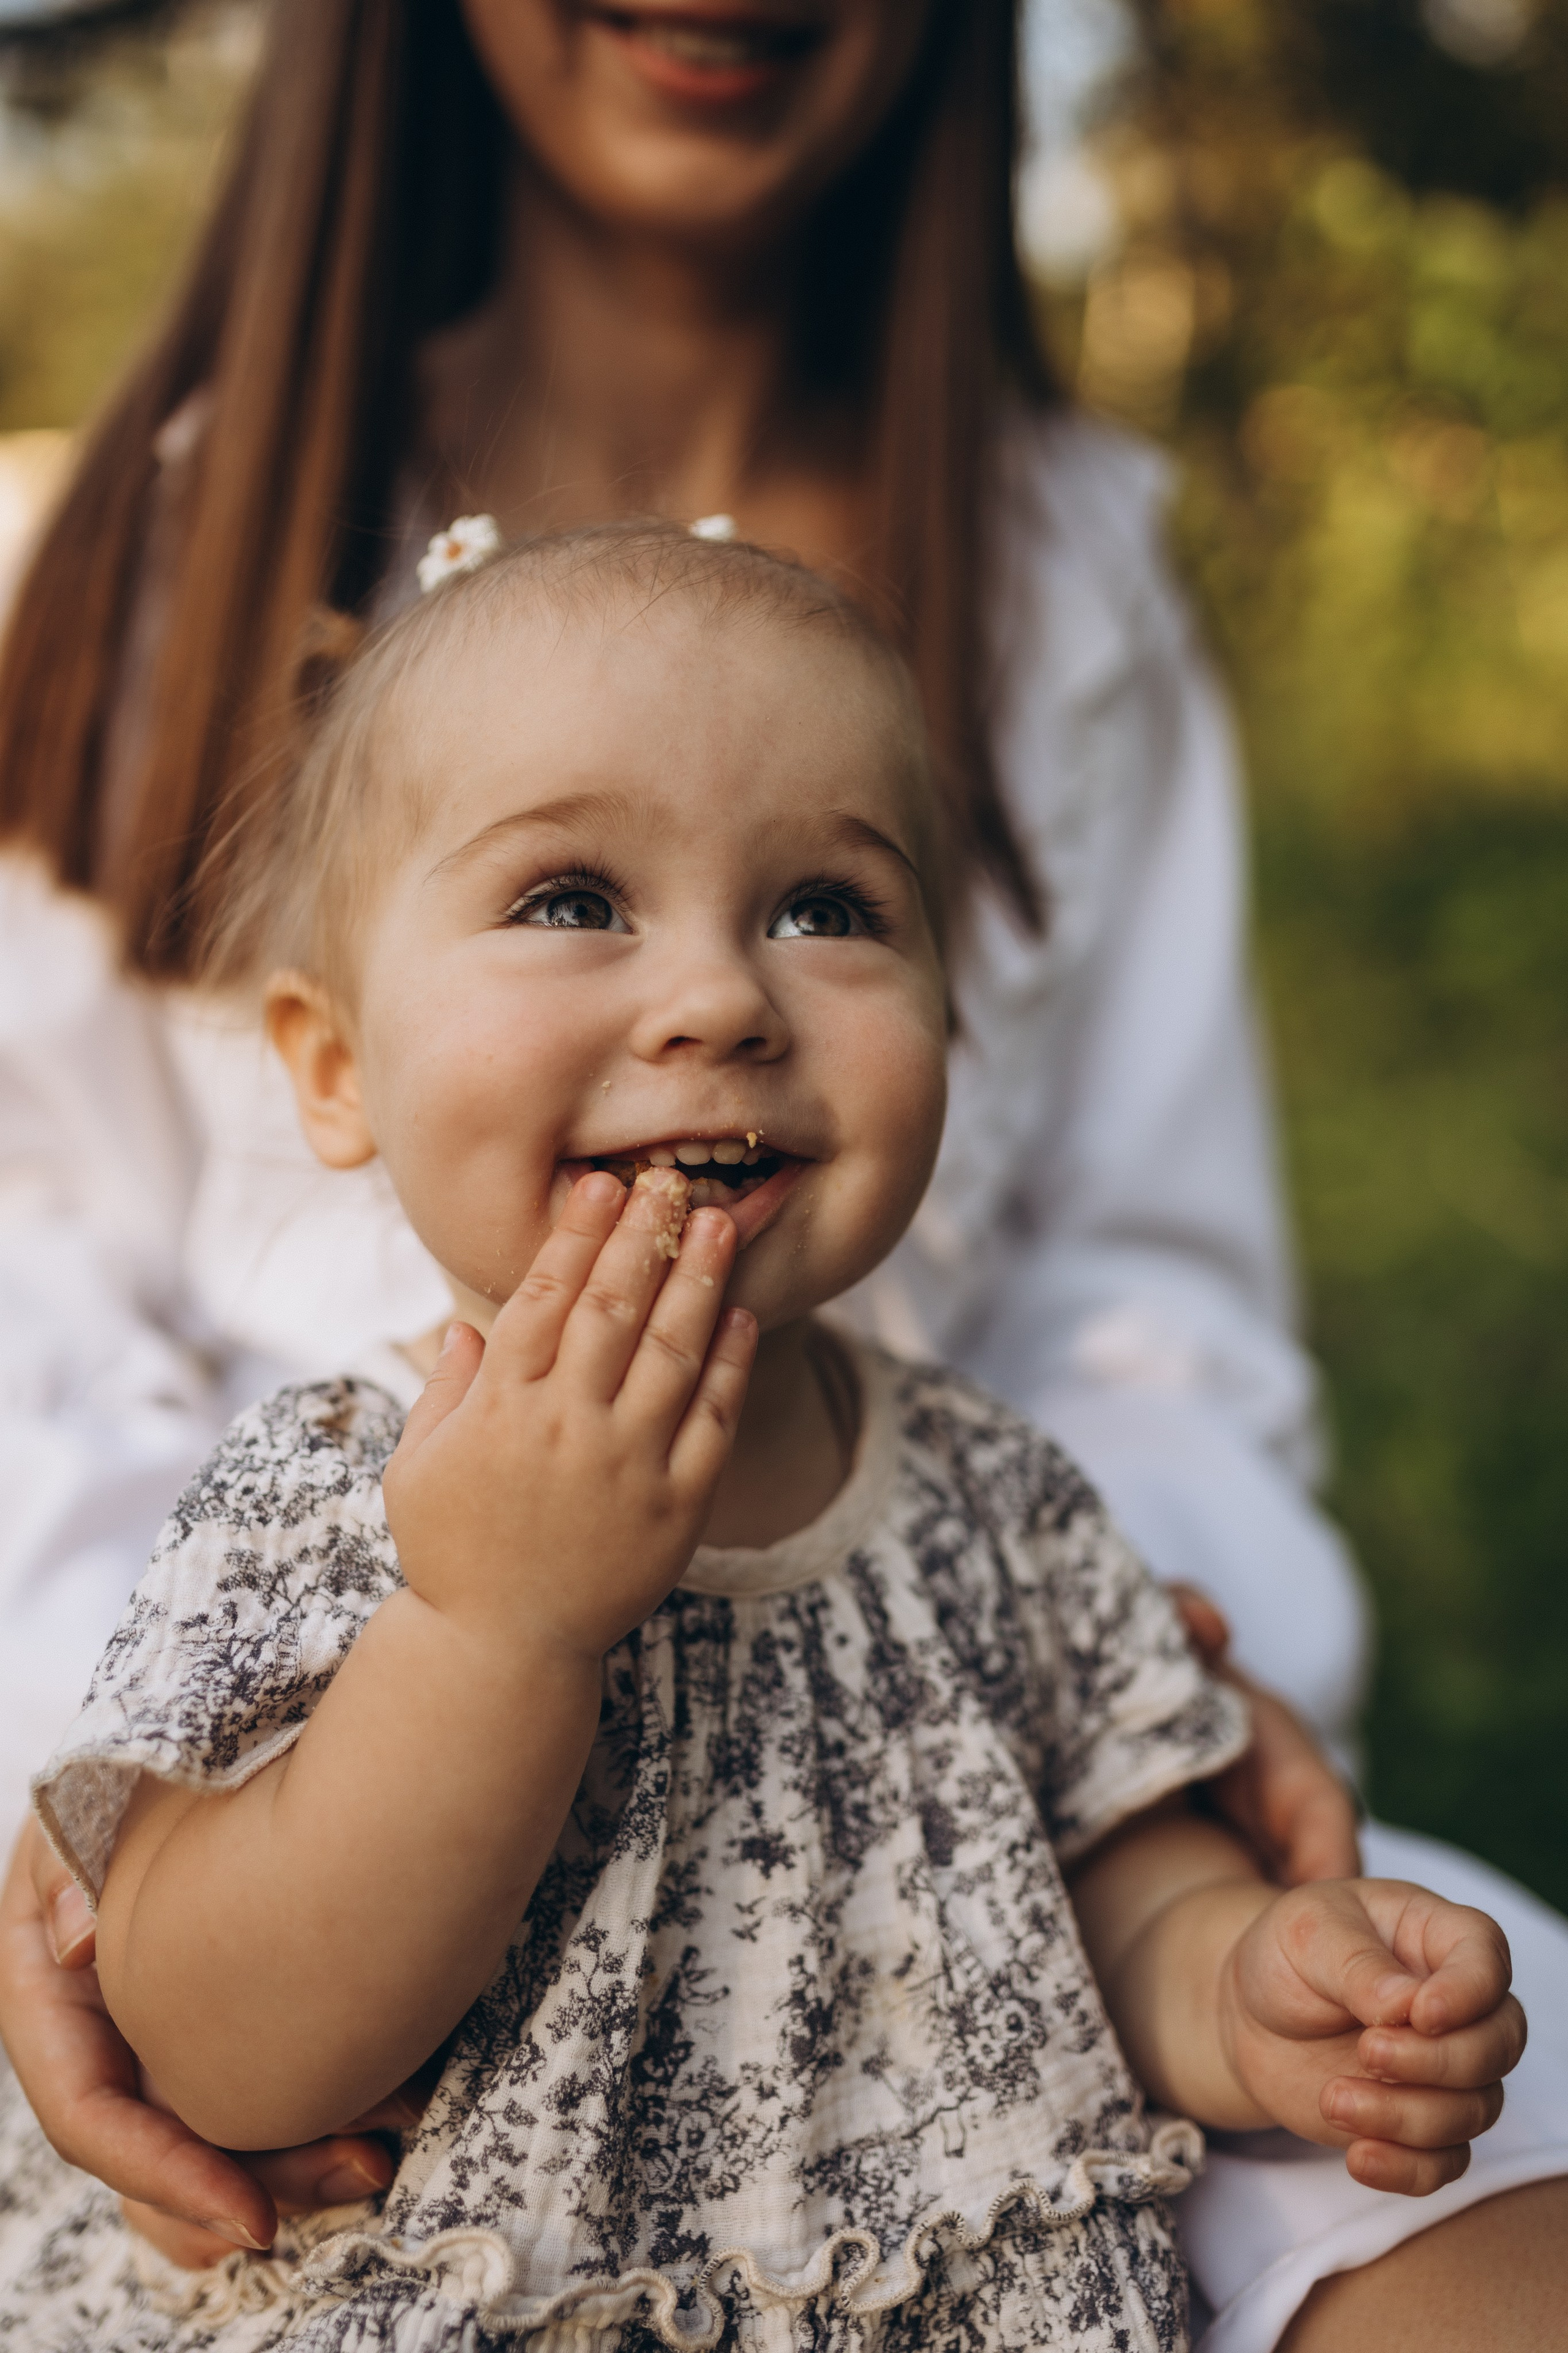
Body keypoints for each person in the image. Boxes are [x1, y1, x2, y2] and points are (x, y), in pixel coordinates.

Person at [0, 2, 1562, 2346]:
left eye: (830, 909)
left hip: (937, 2189)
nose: (720, 999)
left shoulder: (997, 1505)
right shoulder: (352, 1503)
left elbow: (1121, 1868)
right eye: (568, 903)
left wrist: (1260, 1978)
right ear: (327, 1068)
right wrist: (492, 1627)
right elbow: (233, 2039)